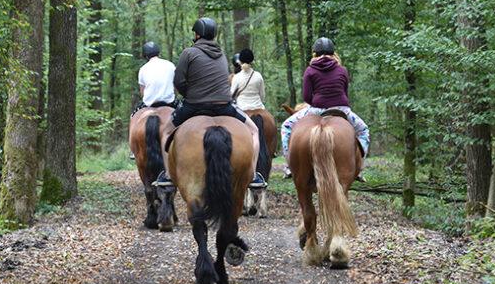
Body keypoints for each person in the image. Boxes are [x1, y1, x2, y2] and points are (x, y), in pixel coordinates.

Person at [153, 18, 266, 188]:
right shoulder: (221, 54)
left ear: (197, 34)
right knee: (254, 131)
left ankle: (168, 175)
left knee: (166, 131)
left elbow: (178, 81)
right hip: (224, 105)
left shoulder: (188, 53)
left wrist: (189, 94)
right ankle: (253, 174)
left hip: (195, 105)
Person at [280, 37, 370, 178]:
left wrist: (317, 102)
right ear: (333, 53)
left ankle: (290, 165)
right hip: (341, 109)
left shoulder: (310, 70)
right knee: (364, 130)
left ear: (315, 53)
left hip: (317, 109)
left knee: (286, 126)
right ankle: (358, 168)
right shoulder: (343, 70)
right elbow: (344, 93)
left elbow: (306, 97)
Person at [132, 41, 177, 116]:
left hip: (149, 104)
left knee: (133, 116)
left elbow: (142, 92)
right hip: (169, 102)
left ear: (145, 56)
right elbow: (176, 86)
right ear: (158, 53)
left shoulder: (142, 69)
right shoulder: (170, 65)